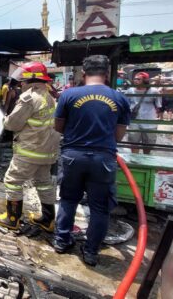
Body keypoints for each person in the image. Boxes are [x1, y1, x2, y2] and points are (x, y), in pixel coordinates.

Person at [51, 55, 130, 266]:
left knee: (68, 199)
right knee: (99, 208)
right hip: (103, 159)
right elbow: (119, 135)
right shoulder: (119, 98)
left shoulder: (69, 95)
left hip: (72, 156)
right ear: (107, 74)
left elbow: (58, 127)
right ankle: (91, 252)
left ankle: (61, 241)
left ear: (83, 74)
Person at [0, 61, 60, 232]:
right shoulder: (49, 97)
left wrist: (4, 120)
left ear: (30, 79)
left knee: (12, 180)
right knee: (43, 182)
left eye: (22, 79)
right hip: (47, 152)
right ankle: (47, 220)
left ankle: (12, 219)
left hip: (30, 150)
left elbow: (13, 124)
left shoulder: (29, 98)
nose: (21, 83)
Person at [126, 72, 161, 154]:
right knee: (134, 142)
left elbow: (158, 106)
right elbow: (126, 103)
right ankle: (135, 160)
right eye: (134, 79)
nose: (135, 81)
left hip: (149, 122)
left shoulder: (154, 91)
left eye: (138, 79)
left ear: (145, 80)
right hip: (134, 121)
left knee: (148, 144)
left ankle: (146, 159)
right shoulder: (130, 91)